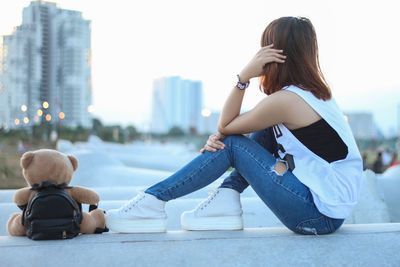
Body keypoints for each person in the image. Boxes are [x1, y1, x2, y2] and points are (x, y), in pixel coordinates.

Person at [106, 16, 363, 235]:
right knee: (257, 134)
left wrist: (243, 77)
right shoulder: (311, 95)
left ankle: (154, 200)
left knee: (232, 143)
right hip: (327, 208)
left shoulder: (287, 100)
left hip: (316, 215)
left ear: (273, 54)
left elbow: (226, 125)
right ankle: (226, 198)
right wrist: (224, 136)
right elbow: (233, 127)